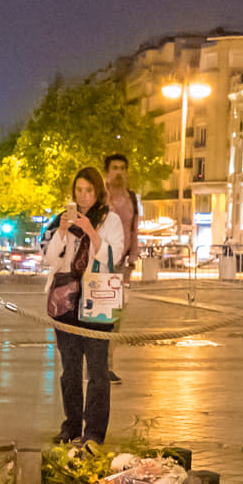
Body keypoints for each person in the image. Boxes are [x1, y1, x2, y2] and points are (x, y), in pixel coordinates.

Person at [42, 167, 127, 443]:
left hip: (98, 300)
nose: (83, 196)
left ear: (98, 191)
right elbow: (51, 259)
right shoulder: (61, 220)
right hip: (66, 300)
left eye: (89, 190)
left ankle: (94, 433)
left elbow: (112, 257)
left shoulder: (109, 220)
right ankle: (71, 426)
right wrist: (62, 233)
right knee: (70, 370)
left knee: (98, 371)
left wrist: (91, 231)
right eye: (79, 190)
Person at [102, 152, 139, 386]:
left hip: (120, 266)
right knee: (97, 317)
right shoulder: (99, 196)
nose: (119, 172)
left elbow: (135, 231)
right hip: (100, 264)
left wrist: (132, 262)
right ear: (107, 171)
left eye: (122, 168)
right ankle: (98, 366)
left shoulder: (132, 199)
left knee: (115, 320)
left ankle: (108, 366)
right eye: (115, 168)